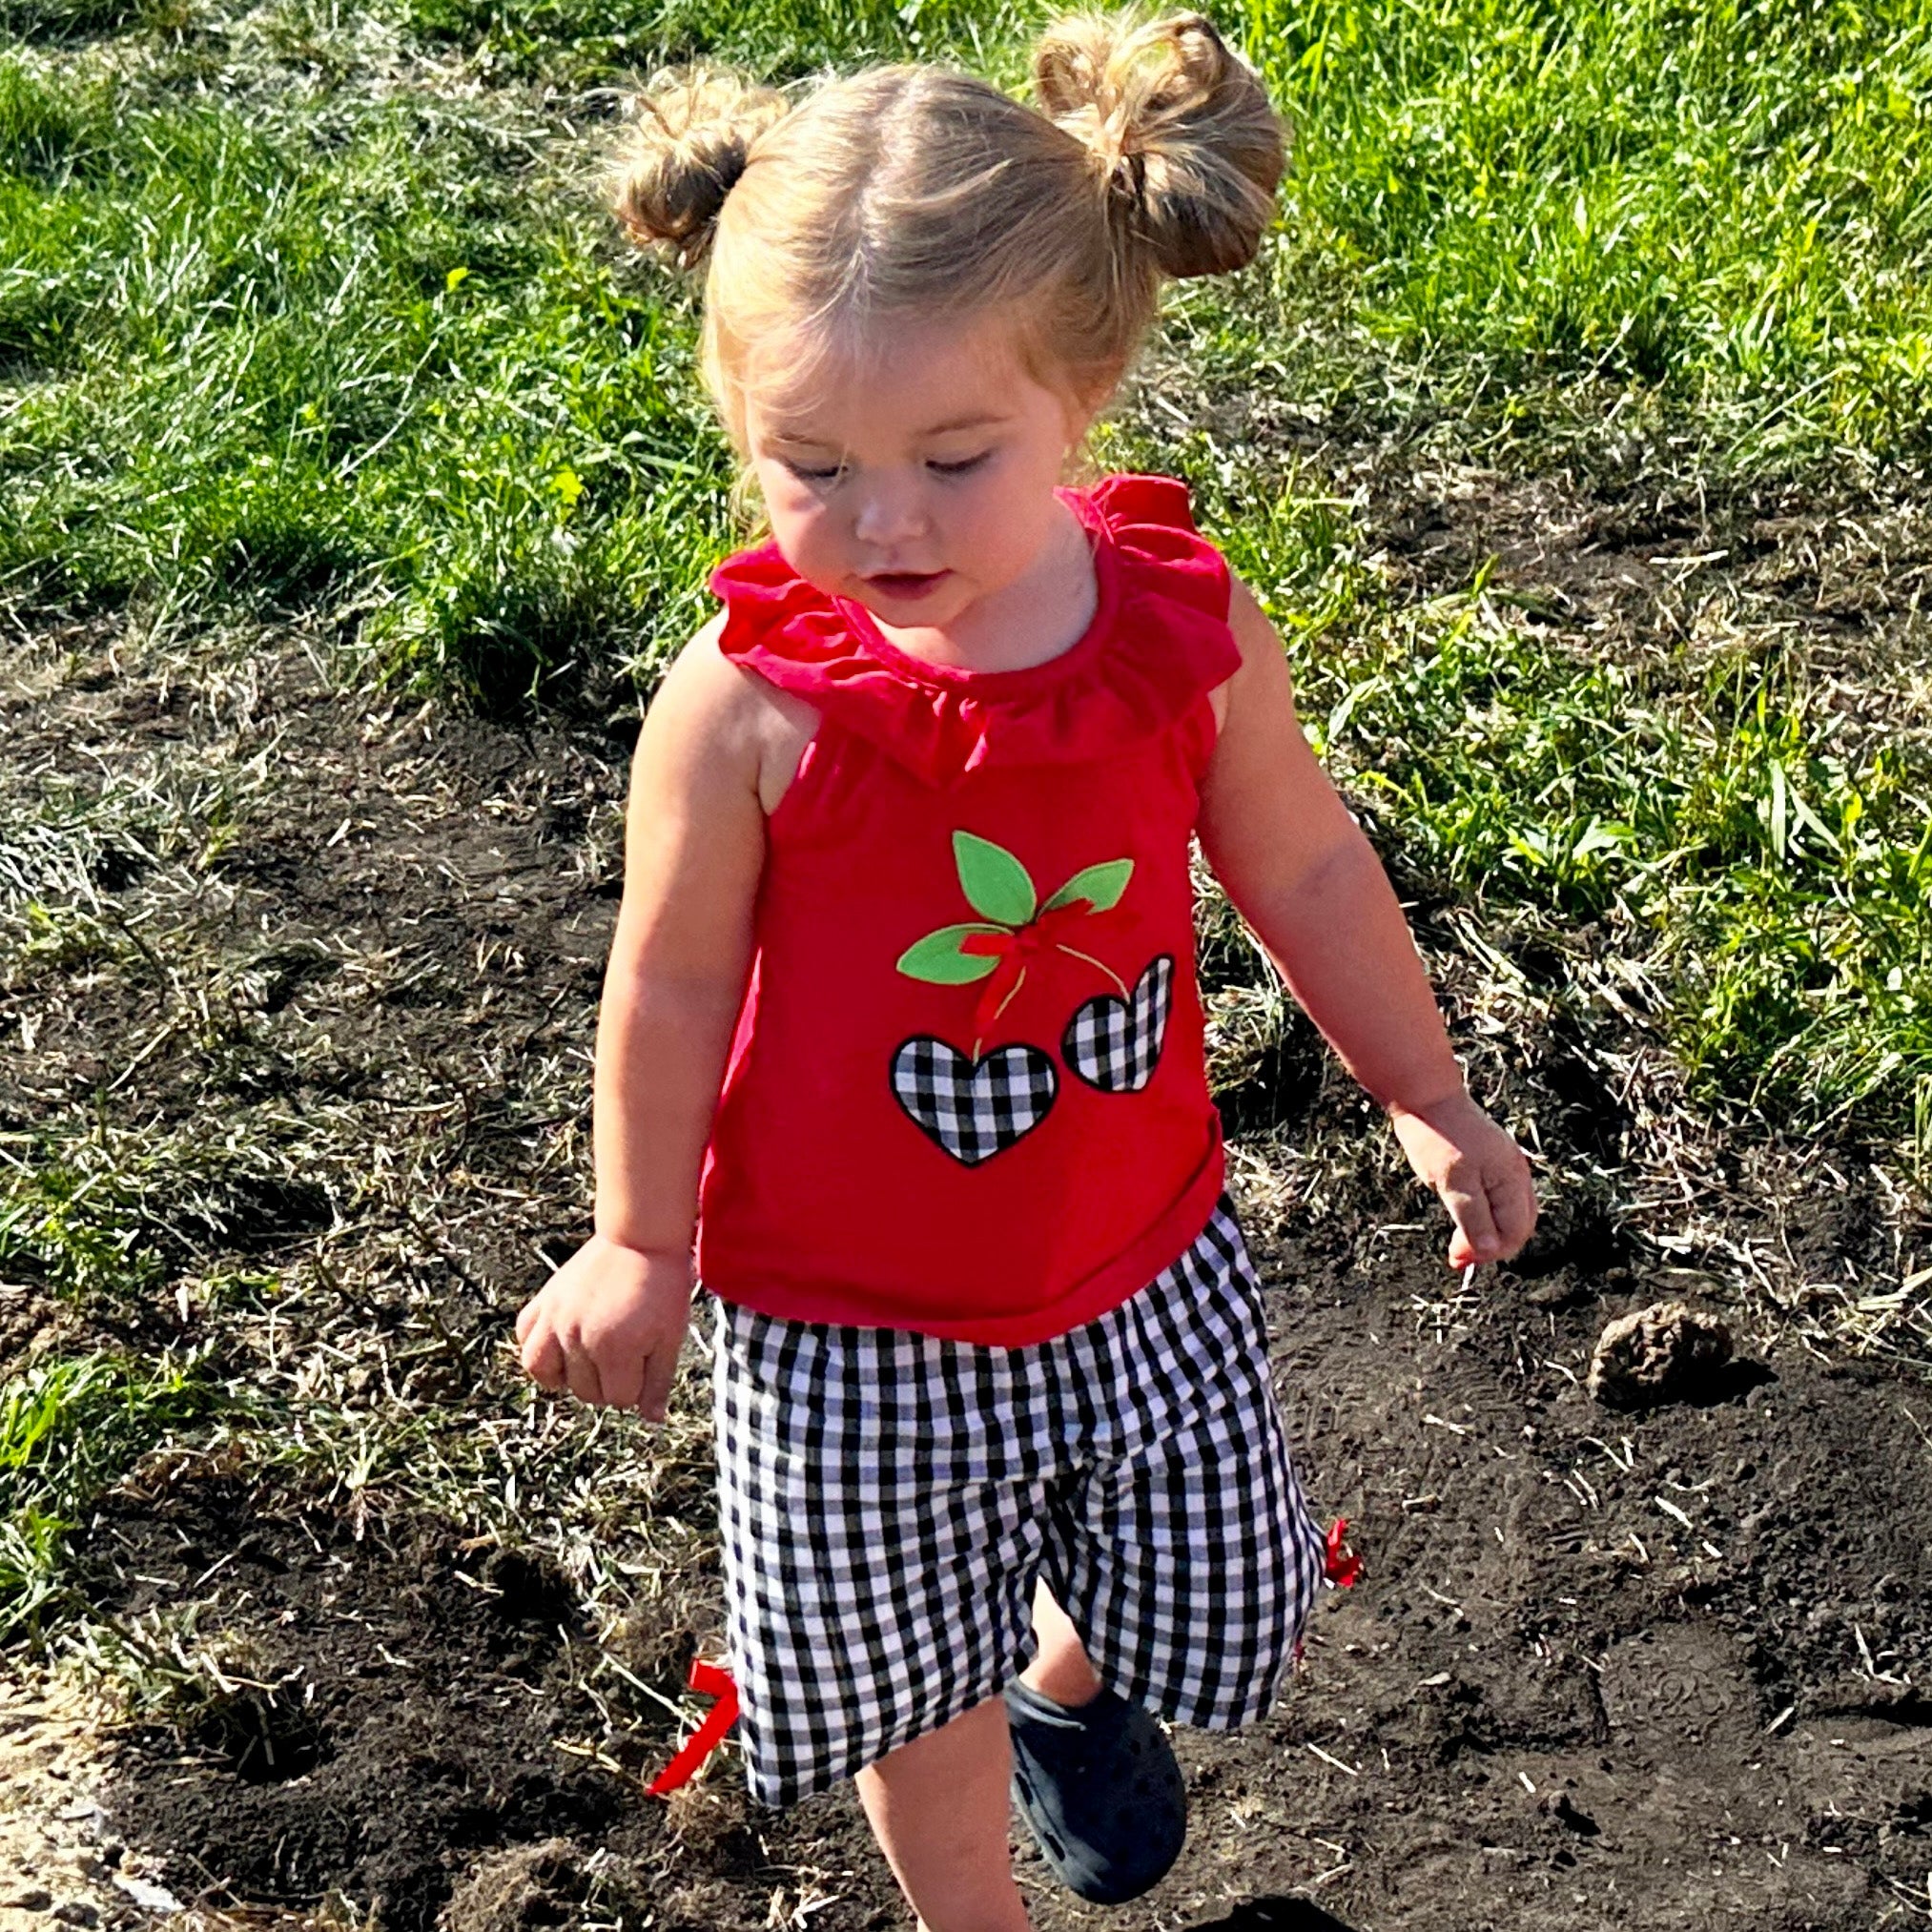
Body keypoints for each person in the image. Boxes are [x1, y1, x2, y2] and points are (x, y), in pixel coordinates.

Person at [514, 11, 1537, 1927]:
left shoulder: (1176, 624)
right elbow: (660, 984)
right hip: (845, 1329)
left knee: (1221, 1588)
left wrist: (1422, 1086)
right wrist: (640, 1236)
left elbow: (1302, 858)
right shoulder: (745, 705)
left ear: (1085, 393)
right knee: (913, 1680)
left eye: (951, 455)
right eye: (805, 462)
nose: (879, 522)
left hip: (1132, 1262)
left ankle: (1072, 1685)